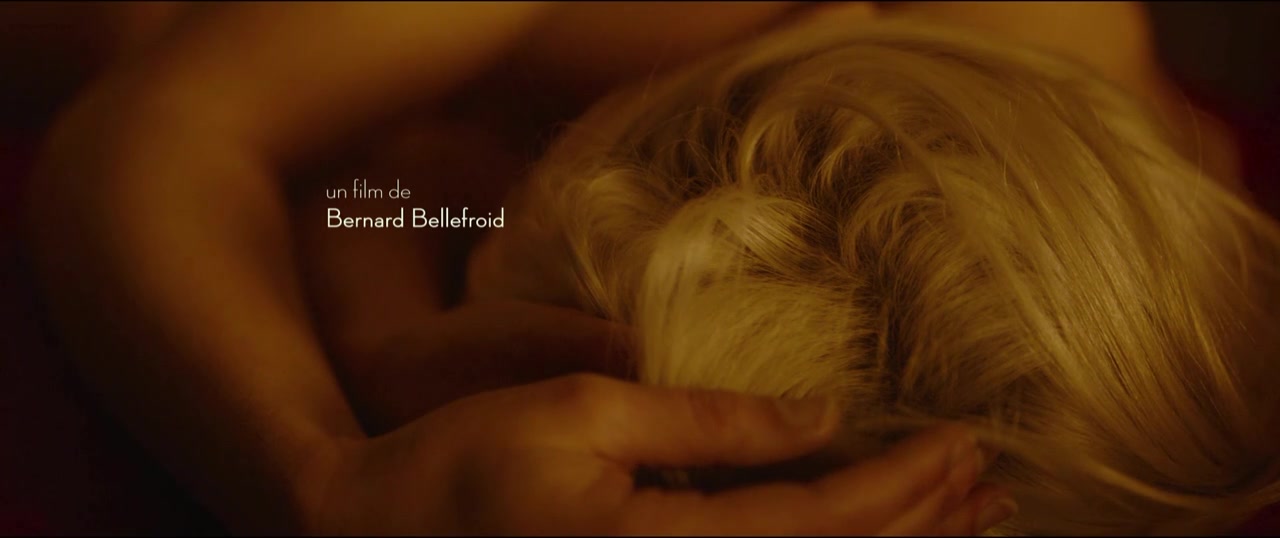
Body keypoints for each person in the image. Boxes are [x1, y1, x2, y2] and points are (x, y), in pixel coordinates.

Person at [19, 1, 1262, 535]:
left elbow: (384, 173)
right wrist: (325, 474)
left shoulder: (1166, 295)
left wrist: (381, 338)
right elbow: (153, 137)